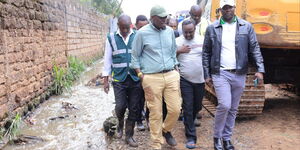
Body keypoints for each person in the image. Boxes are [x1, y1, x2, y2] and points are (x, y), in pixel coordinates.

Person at [202, 0, 265, 150]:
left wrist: (260, 69)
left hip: (239, 73)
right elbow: (206, 53)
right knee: (224, 104)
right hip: (220, 72)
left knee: (233, 108)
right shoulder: (212, 28)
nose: (227, 10)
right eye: (225, 8)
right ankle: (217, 138)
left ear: (234, 8)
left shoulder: (246, 26)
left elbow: (254, 48)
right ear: (220, 10)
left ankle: (227, 138)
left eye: (230, 7)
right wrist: (206, 74)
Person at [131, 5, 181, 150]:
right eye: (161, 18)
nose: (165, 20)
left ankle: (165, 130)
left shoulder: (170, 32)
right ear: (152, 18)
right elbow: (135, 56)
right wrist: (141, 75)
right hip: (151, 78)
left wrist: (176, 69)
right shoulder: (142, 33)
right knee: (155, 113)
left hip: (171, 75)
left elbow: (173, 51)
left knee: (175, 109)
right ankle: (156, 144)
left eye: (166, 17)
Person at [102, 14, 143, 147]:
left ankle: (129, 135)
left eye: (127, 28)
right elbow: (107, 60)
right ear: (118, 26)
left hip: (135, 78)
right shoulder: (111, 38)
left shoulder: (137, 35)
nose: (125, 31)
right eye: (122, 28)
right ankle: (120, 124)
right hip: (119, 79)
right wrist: (105, 80)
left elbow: (142, 55)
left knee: (134, 108)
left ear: (131, 25)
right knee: (120, 106)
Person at [176, 19, 205, 149]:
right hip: (185, 79)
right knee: (187, 106)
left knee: (197, 106)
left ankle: (189, 121)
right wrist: (178, 51)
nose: (188, 35)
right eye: (185, 32)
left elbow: (207, 57)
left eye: (190, 32)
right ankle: (191, 136)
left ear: (195, 29)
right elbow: (169, 57)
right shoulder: (177, 42)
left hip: (200, 79)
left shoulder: (201, 40)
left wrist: (209, 75)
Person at [134, 14, 149, 131]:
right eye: (140, 27)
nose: (143, 30)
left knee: (149, 98)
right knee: (138, 98)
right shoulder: (134, 37)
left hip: (150, 73)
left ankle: (148, 118)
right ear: (136, 26)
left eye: (145, 27)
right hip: (137, 74)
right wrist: (139, 73)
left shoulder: (152, 37)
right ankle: (139, 120)